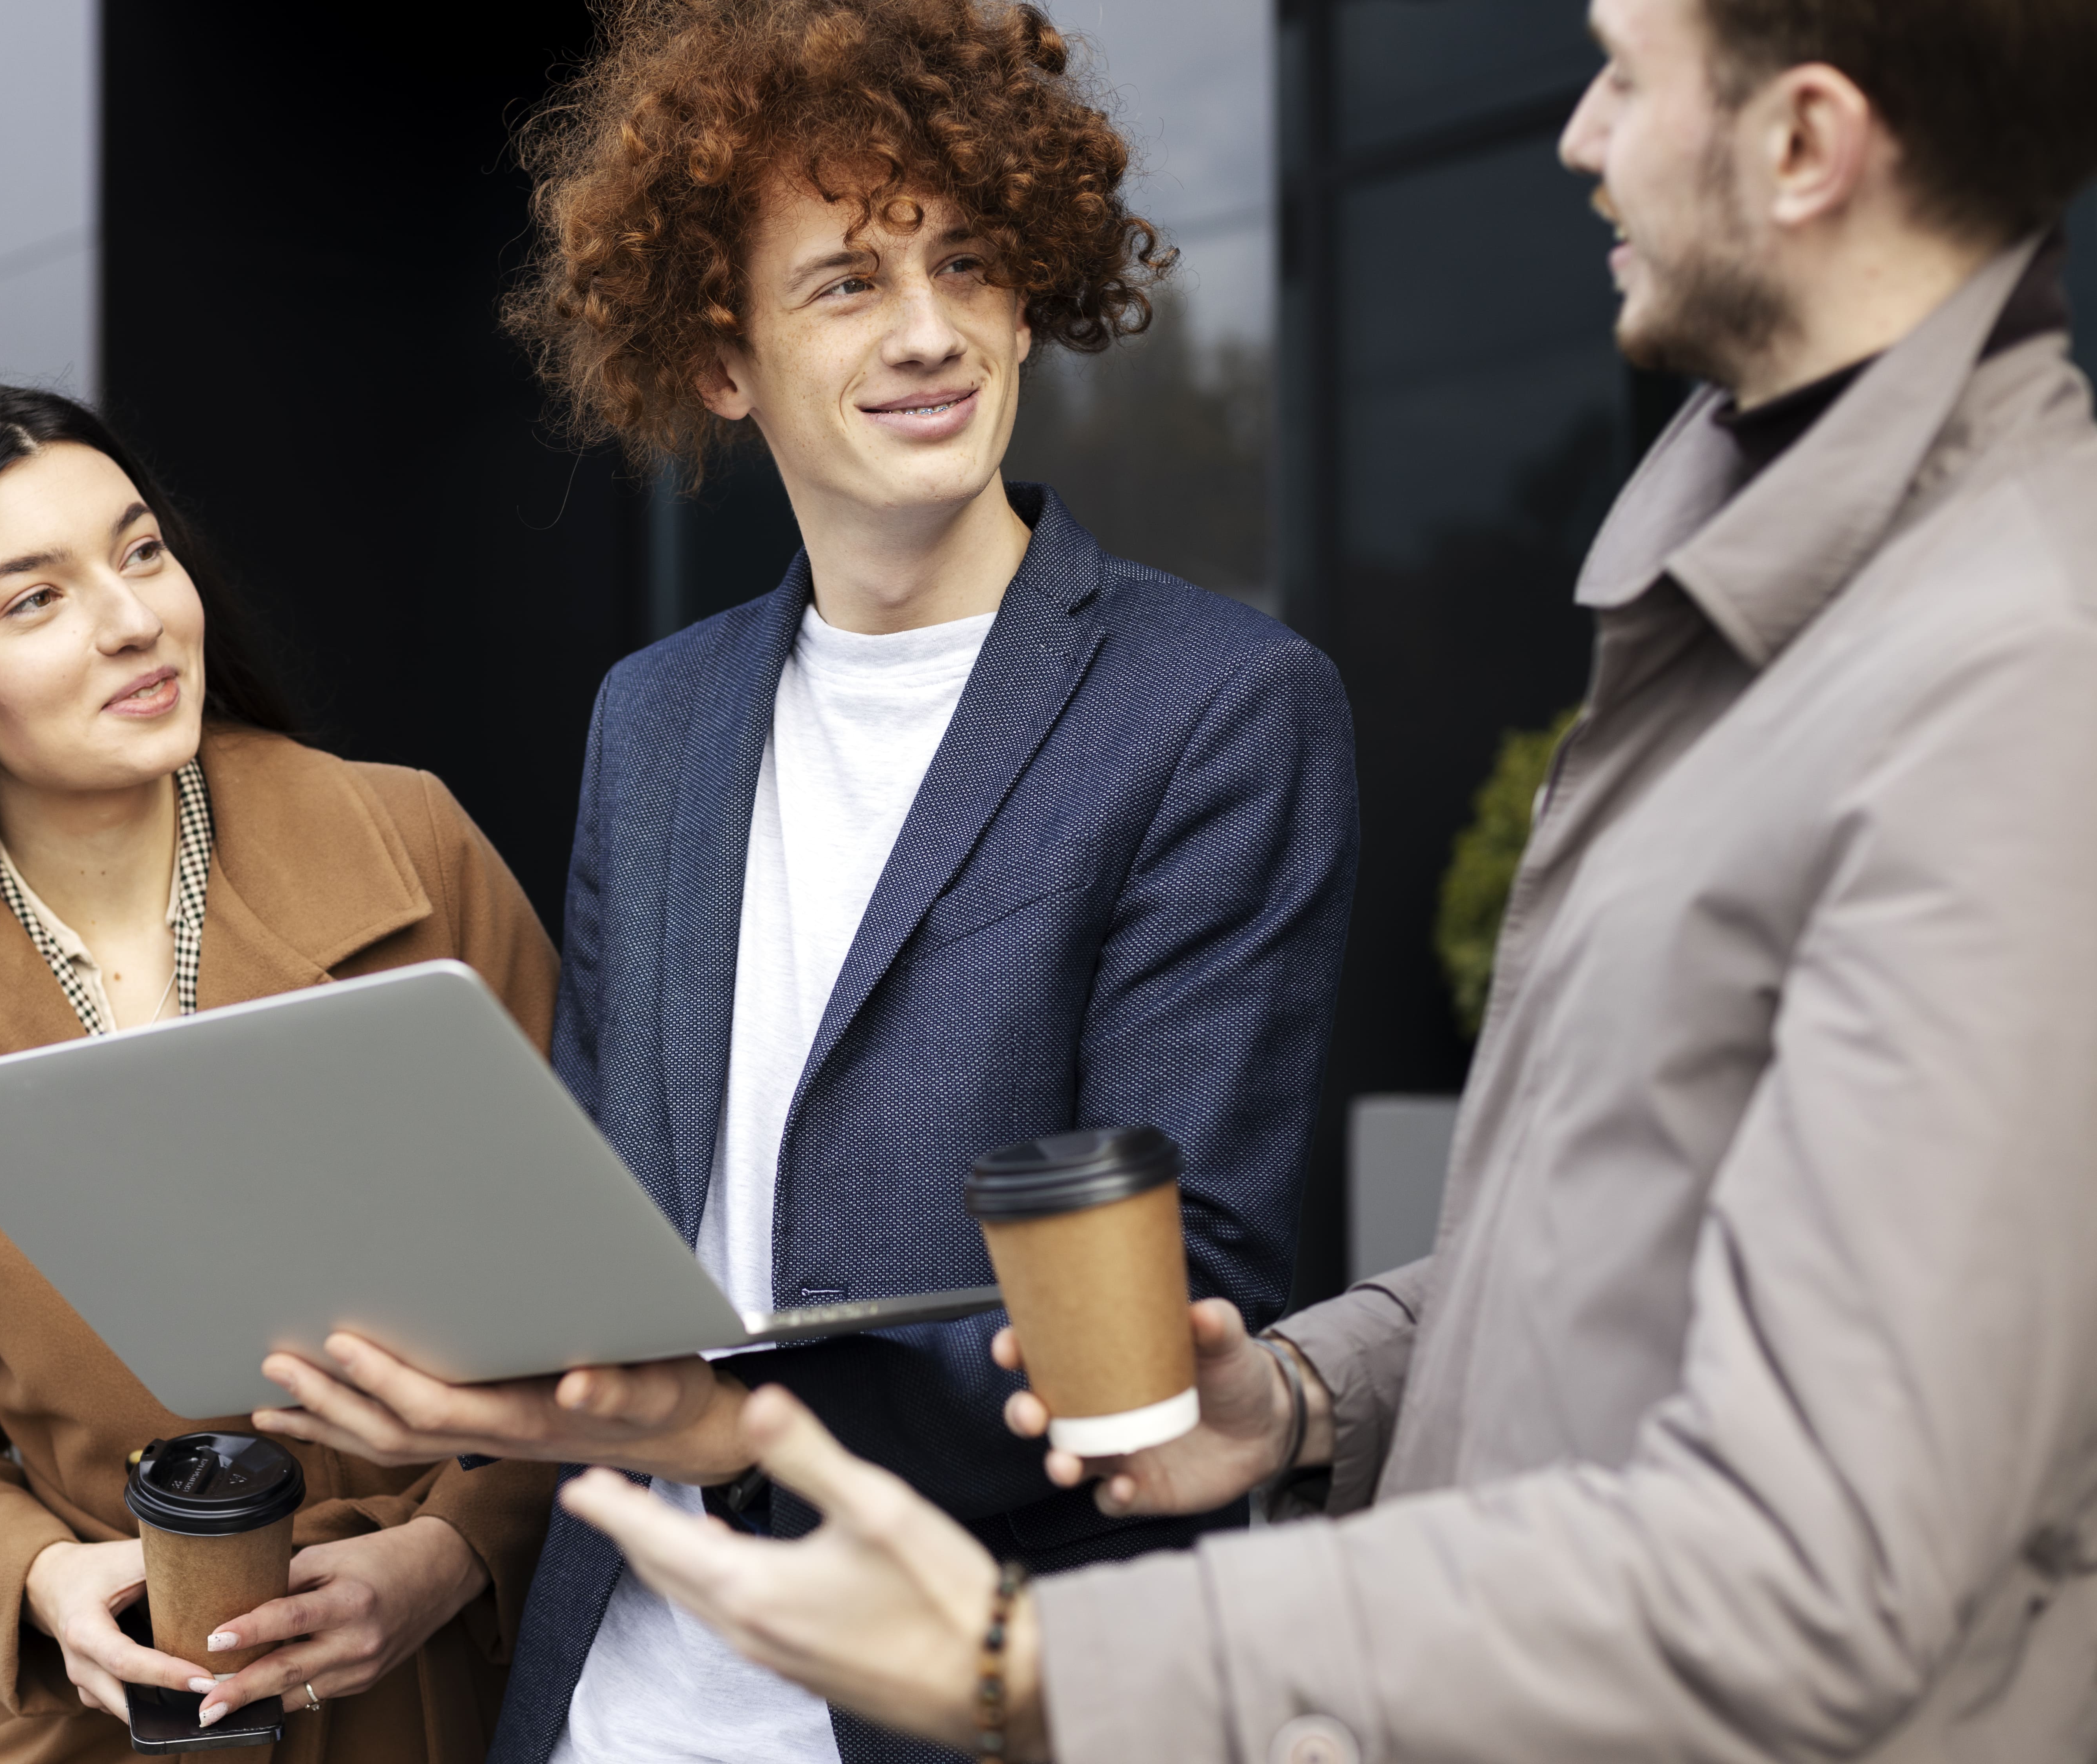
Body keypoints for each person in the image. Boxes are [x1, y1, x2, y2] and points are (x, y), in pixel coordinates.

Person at [552, 0, 2097, 1758]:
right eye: (846, 280)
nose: (1579, 136)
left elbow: (1821, 1556)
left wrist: (1020, 1648)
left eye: (1620, 70)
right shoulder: (1746, 599)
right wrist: (1300, 1391)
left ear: (1805, 143)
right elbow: (1596, 1240)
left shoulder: (2008, 670)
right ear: (716, 351)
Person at [247, 4, 1358, 1762]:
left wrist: (729, 1424)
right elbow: (618, 1201)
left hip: (979, 1675)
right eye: (847, 280)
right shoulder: (656, 718)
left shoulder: (1218, 708)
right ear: (719, 355)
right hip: (616, 1691)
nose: (932, 333)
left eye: (971, 264)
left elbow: (1177, 1308)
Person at [0, 384, 562, 1764]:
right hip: (100, 1730)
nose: (134, 620)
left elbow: (615, 1296)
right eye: (34, 601)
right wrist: (36, 1580)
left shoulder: (409, 848)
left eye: (141, 553)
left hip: (458, 1708)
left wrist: (454, 1550)